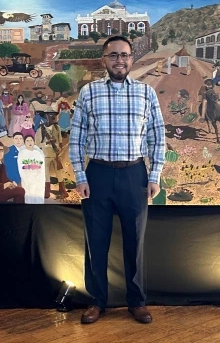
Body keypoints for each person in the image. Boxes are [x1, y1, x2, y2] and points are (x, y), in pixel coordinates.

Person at [69, 36, 165, 325]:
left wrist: (155, 175)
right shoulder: (88, 93)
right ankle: (97, 301)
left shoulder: (146, 93)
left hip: (135, 175)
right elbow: (77, 138)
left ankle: (136, 302)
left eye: (124, 55)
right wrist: (80, 176)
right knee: (95, 242)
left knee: (134, 243)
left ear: (132, 59)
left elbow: (157, 136)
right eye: (113, 55)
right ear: (104, 60)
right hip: (97, 174)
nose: (119, 60)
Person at [17, 135, 46, 204]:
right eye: (27, 141)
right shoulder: (22, 153)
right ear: (24, 142)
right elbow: (21, 166)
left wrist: (39, 176)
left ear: (34, 142)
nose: (29, 142)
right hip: (27, 178)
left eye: (31, 140)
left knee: (38, 195)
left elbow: (42, 166)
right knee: (29, 195)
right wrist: (26, 177)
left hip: (38, 178)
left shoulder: (38, 153)